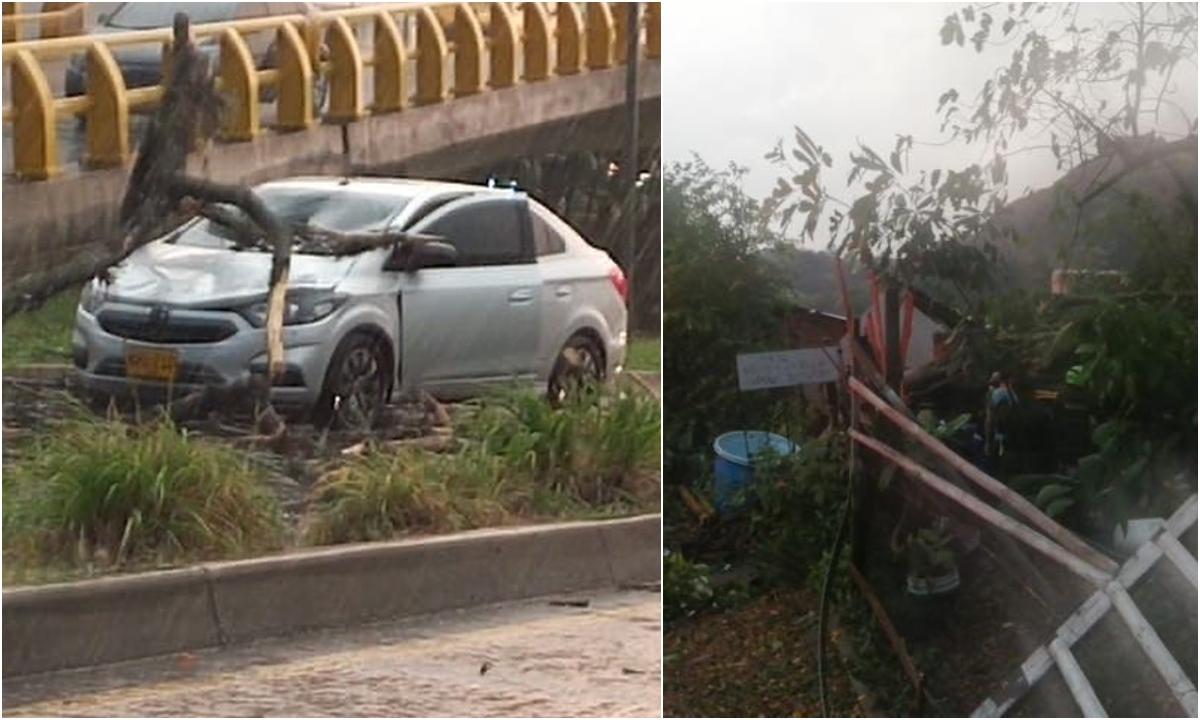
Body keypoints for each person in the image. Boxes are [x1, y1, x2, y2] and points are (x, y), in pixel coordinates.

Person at [984, 371, 1018, 465]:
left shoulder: (1002, 394)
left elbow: (990, 416)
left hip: (1002, 433)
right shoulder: (1009, 394)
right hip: (1005, 433)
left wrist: (987, 441)